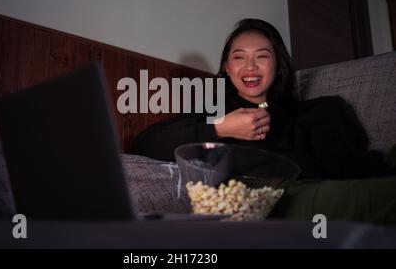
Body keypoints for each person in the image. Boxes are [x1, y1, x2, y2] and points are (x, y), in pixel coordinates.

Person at [131, 18, 396, 225]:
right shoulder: (215, 112)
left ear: (278, 64)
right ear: (226, 67)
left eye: (262, 56)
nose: (250, 66)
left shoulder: (320, 110)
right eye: (239, 57)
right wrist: (221, 128)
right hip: (279, 199)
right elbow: (146, 142)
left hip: (333, 182)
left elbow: (351, 164)